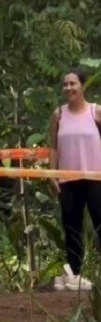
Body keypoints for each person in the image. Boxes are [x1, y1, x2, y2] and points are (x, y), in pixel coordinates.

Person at [48, 67, 101, 291]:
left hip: (95, 178)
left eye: (73, 84)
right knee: (72, 228)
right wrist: (52, 173)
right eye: (65, 84)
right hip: (68, 180)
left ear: (83, 86)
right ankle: (75, 275)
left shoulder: (95, 112)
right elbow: (53, 147)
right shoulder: (59, 115)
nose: (68, 88)